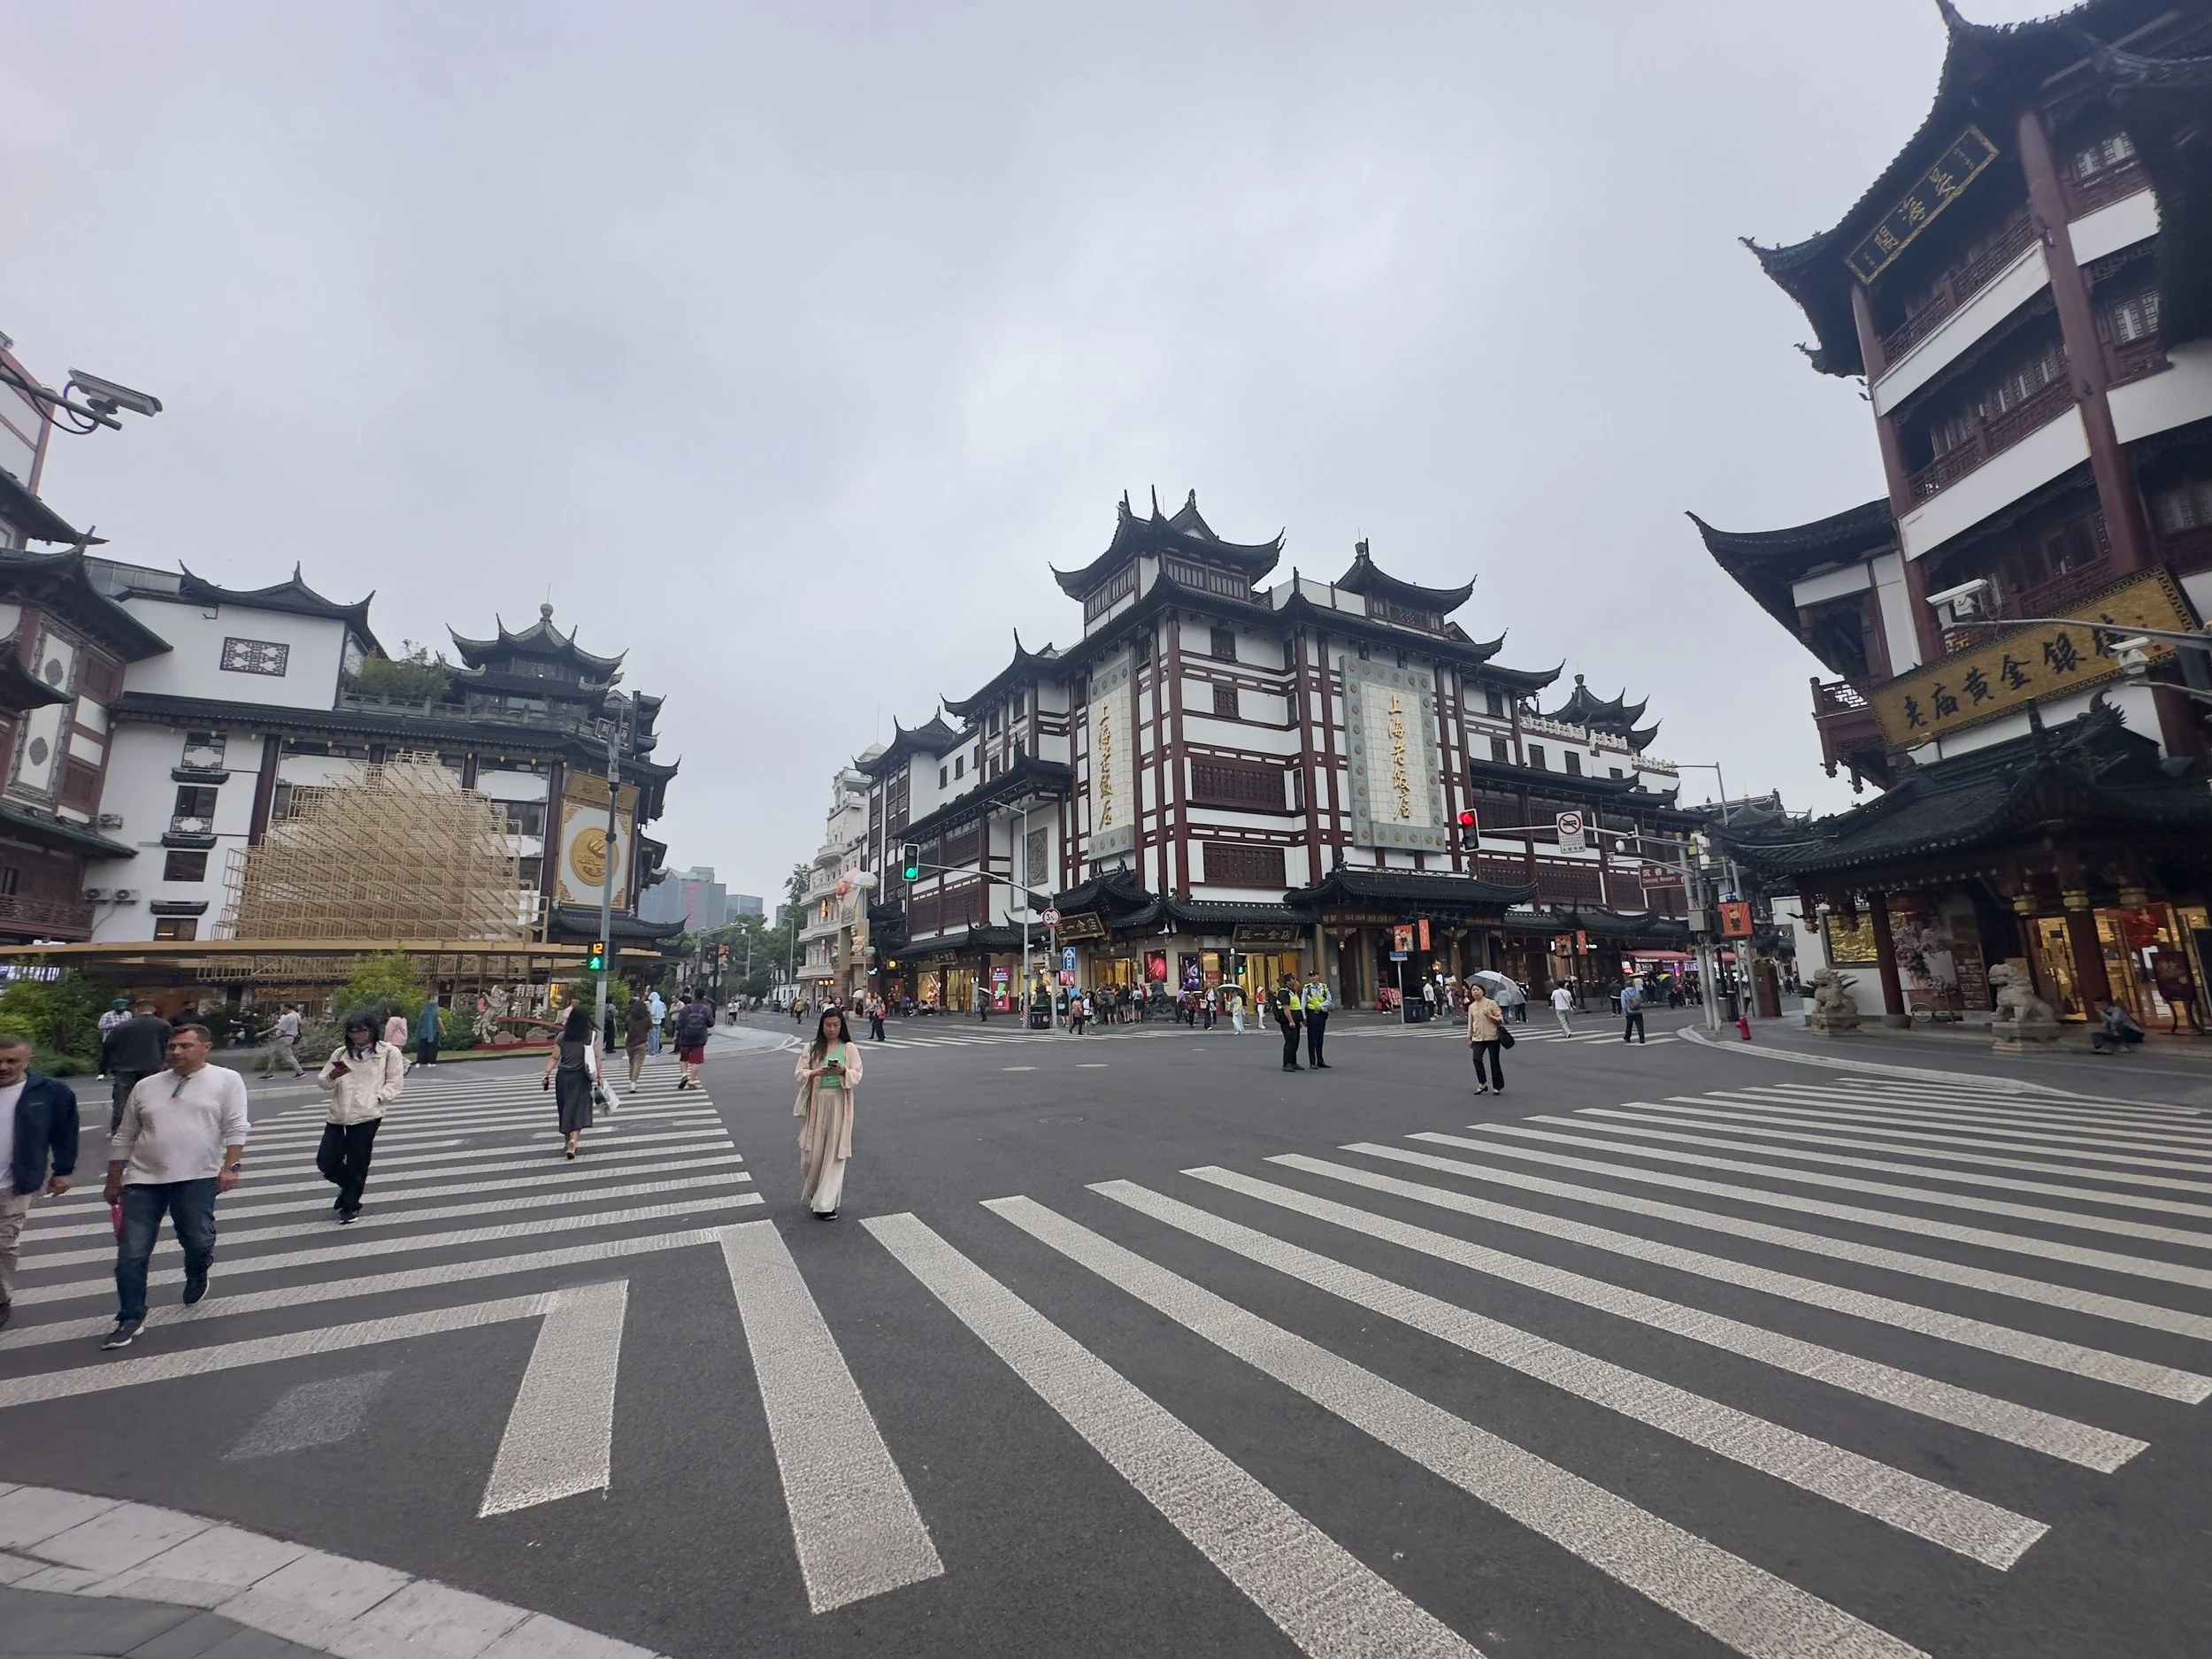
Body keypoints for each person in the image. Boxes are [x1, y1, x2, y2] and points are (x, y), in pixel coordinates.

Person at [101, 1023, 250, 1350]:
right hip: (142, 1180)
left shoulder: (226, 1080)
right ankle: (130, 1317)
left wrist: (231, 1167)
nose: (176, 1052)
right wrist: (114, 1180)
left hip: (196, 1177)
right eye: (171, 1046)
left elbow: (236, 1126)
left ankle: (198, 1272)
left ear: (206, 1048)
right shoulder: (146, 1086)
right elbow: (125, 1134)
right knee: (131, 1253)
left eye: (185, 1046)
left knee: (197, 1240)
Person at [0, 1035, 77, 1333]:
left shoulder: (50, 1091)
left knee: (3, 1243)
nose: (3, 1067)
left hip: (15, 1182)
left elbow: (65, 1133)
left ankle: (0, 1297)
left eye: (11, 1061)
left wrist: (63, 1171)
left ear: (27, 1060)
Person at [316, 1014, 403, 1224]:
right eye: (352, 1032)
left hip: (367, 1115)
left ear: (372, 1030)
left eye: (361, 1031)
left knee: (357, 1162)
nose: (357, 1036)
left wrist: (378, 1098)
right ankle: (350, 1187)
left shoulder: (388, 1052)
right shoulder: (341, 1053)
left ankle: (350, 1206)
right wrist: (332, 1076)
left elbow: (395, 1082)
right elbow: (324, 1082)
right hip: (339, 1115)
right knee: (325, 1162)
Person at [794, 1005, 862, 1220]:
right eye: (828, 1025)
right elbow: (799, 1074)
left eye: (836, 1025)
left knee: (834, 1152)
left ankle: (825, 1204)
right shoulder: (812, 1048)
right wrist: (815, 1072)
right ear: (822, 1026)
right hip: (817, 1102)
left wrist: (843, 1071)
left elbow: (857, 1074)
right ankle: (815, 1192)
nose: (832, 1029)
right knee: (811, 1154)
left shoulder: (849, 1048)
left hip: (839, 1102)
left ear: (842, 1026)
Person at [541, 1003, 603, 1160]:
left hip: (563, 1077)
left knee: (565, 1108)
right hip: (582, 1077)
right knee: (579, 1109)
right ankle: (574, 1140)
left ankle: (567, 1140)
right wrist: (600, 1077)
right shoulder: (591, 1036)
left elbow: (554, 1057)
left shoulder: (562, 1036)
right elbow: (597, 1058)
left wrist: (546, 1074)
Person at [100, 1003, 172, 1135]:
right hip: (153, 1064)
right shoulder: (163, 1025)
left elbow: (108, 1046)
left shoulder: (122, 1026)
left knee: (122, 1099)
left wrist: (104, 1068)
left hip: (125, 1066)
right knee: (154, 1097)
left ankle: (118, 1130)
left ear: (136, 1011)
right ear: (153, 1010)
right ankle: (155, 1128)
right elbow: (169, 1044)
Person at [1467, 980, 1505, 1095]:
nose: (1475, 992)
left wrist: (1490, 1015)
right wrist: (1470, 1037)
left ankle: (1497, 1086)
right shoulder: (1471, 1006)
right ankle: (1482, 1083)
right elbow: (1470, 1022)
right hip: (1478, 1037)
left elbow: (1501, 1020)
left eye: (1477, 990)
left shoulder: (1491, 1003)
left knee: (1494, 1062)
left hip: (1492, 1036)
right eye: (1473, 990)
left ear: (1483, 992)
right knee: (1476, 1059)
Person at [672, 991, 713, 1090]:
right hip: (699, 1038)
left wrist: (676, 1035)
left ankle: (684, 1074)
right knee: (697, 1061)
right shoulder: (706, 1009)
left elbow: (679, 1023)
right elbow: (711, 1023)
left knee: (684, 1058)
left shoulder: (686, 1008)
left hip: (685, 1037)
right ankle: (692, 1081)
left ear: (694, 996)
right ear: (703, 997)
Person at [262, 1003, 306, 1078]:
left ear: (287, 1007)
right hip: (289, 1037)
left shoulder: (289, 1017)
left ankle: (300, 1072)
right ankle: (268, 1073)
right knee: (274, 1055)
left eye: (282, 1008)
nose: (281, 1010)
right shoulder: (297, 1015)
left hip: (285, 1038)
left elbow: (278, 1027)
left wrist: (262, 1033)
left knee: (287, 1056)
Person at [1302, 972, 1332, 1069]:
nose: (1313, 978)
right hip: (1311, 1014)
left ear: (1318, 976)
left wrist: (1321, 1006)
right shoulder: (1307, 988)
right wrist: (1304, 1017)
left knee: (1320, 1038)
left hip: (1321, 1014)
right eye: (1311, 976)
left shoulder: (1324, 987)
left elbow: (1329, 999)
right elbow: (1303, 1003)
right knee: (1312, 1039)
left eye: (1314, 976)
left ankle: (1320, 1060)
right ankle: (1312, 1062)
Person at [624, 995, 654, 1086]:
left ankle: (631, 1079)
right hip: (642, 1042)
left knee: (632, 1062)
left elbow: (626, 1029)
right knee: (638, 1063)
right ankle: (633, 1082)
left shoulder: (629, 1018)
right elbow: (650, 1030)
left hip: (630, 1043)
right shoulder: (647, 1018)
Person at [1276, 979, 1304, 1072]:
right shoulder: (1284, 992)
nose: (1295, 981)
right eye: (1293, 979)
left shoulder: (1293, 992)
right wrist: (1291, 1021)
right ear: (1287, 981)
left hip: (1296, 1020)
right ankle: (1287, 1063)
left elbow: (1297, 1007)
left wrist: (1299, 1020)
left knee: (1295, 1041)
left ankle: (1293, 1062)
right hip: (1288, 1021)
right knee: (1290, 1041)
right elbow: (1286, 1008)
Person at [415, 996, 442, 1068]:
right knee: (432, 1048)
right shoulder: (435, 1014)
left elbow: (419, 1024)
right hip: (433, 1033)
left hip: (423, 1033)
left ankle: (419, 1062)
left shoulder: (423, 1013)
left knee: (422, 1048)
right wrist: (444, 1031)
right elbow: (439, 1022)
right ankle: (431, 1062)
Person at [1622, 978, 1647, 1045]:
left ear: (1625, 985)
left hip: (1629, 1011)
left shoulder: (1624, 992)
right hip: (1638, 1010)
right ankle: (1642, 1038)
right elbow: (1640, 1000)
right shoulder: (1637, 991)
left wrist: (1625, 1011)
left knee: (1629, 1025)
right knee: (1640, 1025)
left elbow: (1623, 1003)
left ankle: (1627, 1037)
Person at [646, 987, 666, 1055]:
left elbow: (652, 1013)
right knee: (657, 1037)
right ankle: (657, 1051)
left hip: (653, 1021)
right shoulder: (661, 1003)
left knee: (652, 1038)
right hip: (659, 1021)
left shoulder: (654, 1003)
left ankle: (652, 1051)